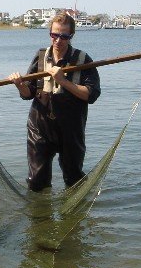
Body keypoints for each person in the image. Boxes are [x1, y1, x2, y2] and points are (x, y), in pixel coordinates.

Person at [9, 13, 101, 191]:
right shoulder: (41, 56)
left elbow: (91, 95)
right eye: (55, 35)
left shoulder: (83, 60)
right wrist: (19, 85)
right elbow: (29, 93)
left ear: (71, 36)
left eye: (64, 36)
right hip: (40, 127)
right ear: (50, 33)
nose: (58, 40)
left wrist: (64, 81)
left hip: (71, 128)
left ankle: (74, 217)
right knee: (36, 182)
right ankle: (41, 216)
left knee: (73, 179)